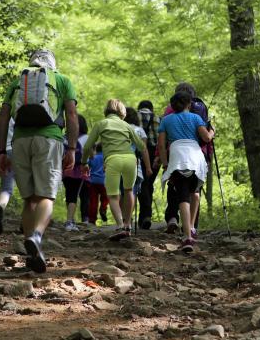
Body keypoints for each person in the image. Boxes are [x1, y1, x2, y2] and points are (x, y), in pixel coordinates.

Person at [0, 49, 78, 273]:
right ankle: (37, 236)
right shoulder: (61, 80)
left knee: (29, 199)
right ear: (53, 63)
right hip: (48, 140)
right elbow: (71, 115)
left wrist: (1, 151)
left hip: (20, 141)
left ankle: (31, 257)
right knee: (46, 196)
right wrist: (72, 147)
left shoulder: (18, 81)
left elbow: (3, 117)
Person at [81, 99, 152, 241]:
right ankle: (128, 225)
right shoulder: (127, 125)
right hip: (130, 160)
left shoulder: (101, 124)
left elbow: (88, 146)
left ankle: (120, 226)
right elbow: (141, 146)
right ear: (122, 112)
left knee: (113, 196)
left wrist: (84, 162)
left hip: (112, 160)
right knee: (128, 191)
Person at [158, 91, 213, 252]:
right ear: (189, 104)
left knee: (183, 196)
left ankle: (187, 236)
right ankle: (191, 228)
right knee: (195, 193)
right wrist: (212, 131)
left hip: (177, 157)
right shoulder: (196, 118)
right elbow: (206, 138)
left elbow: (161, 145)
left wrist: (165, 163)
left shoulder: (166, 120)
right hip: (195, 157)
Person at [62, 114, 90, 231]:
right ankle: (69, 222)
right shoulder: (85, 138)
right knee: (74, 196)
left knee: (69, 195)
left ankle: (70, 219)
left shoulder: (64, 137)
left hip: (65, 170)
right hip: (79, 170)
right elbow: (90, 155)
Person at [137, 100, 160, 229]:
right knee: (148, 183)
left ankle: (145, 215)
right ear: (151, 108)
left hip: (139, 152)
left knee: (142, 183)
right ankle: (145, 216)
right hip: (155, 154)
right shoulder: (158, 118)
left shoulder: (135, 117)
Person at [0, 117, 16, 235]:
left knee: (6, 189)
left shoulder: (6, 118)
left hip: (6, 151)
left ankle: (0, 207)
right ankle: (26, 225)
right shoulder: (28, 114)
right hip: (23, 151)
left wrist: (1, 152)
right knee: (29, 191)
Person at [87, 143, 109, 224]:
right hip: (104, 182)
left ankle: (92, 219)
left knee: (93, 201)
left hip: (92, 182)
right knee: (106, 198)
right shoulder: (106, 158)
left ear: (96, 149)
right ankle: (103, 208)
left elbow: (87, 166)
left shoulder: (93, 158)